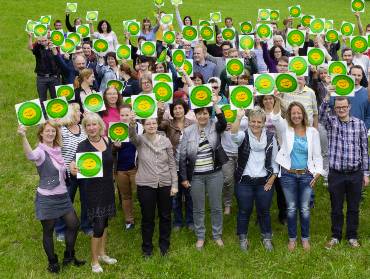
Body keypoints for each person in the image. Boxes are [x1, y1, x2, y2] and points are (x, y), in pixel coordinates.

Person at [17, 121, 85, 273]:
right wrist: (23, 136)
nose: (50, 133)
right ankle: (53, 262)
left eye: (53, 131)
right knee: (48, 230)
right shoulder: (41, 151)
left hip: (63, 196)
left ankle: (69, 256)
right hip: (47, 199)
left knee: (74, 224)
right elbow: (30, 155)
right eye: (47, 131)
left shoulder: (57, 149)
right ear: (41, 133)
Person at [271, 99, 323, 251]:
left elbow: (318, 155)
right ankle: (292, 239)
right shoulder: (285, 129)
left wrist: (317, 173)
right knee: (292, 208)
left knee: (305, 208)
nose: (296, 115)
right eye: (293, 113)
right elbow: (274, 118)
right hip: (288, 175)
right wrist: (276, 99)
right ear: (289, 115)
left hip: (307, 174)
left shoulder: (312, 131)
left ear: (303, 114)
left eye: (299, 113)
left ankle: (305, 238)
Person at [320, 94, 369, 249]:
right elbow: (321, 115)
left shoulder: (359, 124)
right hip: (336, 173)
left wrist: (366, 173)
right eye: (338, 107)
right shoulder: (331, 122)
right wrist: (327, 97)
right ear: (335, 109)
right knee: (336, 207)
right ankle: (335, 236)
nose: (341, 109)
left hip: (355, 173)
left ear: (349, 107)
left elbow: (364, 150)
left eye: (344, 107)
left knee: (354, 207)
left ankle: (352, 236)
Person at [70, 113, 117, 273]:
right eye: (88, 125)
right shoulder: (83, 146)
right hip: (92, 191)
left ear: (100, 126)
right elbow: (75, 166)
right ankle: (94, 261)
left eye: (94, 124)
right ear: (85, 128)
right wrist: (74, 169)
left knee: (104, 223)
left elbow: (110, 162)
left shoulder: (107, 140)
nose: (91, 128)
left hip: (108, 188)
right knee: (97, 225)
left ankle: (103, 254)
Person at [179, 96, 227, 250]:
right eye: (199, 113)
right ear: (195, 115)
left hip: (215, 174)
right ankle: (200, 237)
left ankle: (217, 235)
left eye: (205, 113)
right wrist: (184, 178)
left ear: (209, 114)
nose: (202, 116)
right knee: (198, 208)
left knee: (216, 207)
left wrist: (214, 104)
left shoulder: (215, 126)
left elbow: (224, 122)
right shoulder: (187, 131)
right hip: (196, 176)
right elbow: (182, 155)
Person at [128, 114, 178, 257]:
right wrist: (131, 124)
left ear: (157, 124)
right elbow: (131, 137)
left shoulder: (166, 140)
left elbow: (172, 164)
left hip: (165, 183)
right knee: (147, 218)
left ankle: (164, 246)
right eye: (148, 123)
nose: (151, 126)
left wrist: (174, 185)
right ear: (143, 126)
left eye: (153, 123)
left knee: (165, 216)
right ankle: (147, 249)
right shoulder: (140, 140)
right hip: (145, 185)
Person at [231, 108, 279, 251]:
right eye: (253, 121)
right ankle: (243, 238)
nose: (256, 125)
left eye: (259, 122)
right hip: (244, 181)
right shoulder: (243, 135)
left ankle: (266, 237)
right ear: (249, 122)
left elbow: (276, 160)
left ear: (264, 123)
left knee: (264, 210)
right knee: (244, 210)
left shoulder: (271, 137)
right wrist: (238, 118)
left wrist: (272, 178)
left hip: (264, 181)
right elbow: (233, 135)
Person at [54, 103, 92, 240]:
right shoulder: (61, 130)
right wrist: (68, 165)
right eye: (78, 112)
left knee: (86, 200)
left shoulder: (83, 128)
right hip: (67, 174)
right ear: (70, 114)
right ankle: (60, 230)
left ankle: (86, 225)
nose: (81, 114)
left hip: (84, 171)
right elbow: (56, 154)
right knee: (65, 201)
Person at [158, 99, 195, 230]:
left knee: (190, 196)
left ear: (185, 109)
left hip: (189, 165)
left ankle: (190, 221)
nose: (178, 110)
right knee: (175, 196)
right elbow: (158, 125)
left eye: (180, 108)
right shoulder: (168, 124)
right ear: (172, 111)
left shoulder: (192, 124)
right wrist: (160, 111)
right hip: (173, 165)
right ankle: (178, 222)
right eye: (175, 109)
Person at [258, 95, 287, 224]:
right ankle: (261, 215)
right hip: (263, 152)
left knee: (281, 185)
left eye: (270, 98)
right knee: (263, 185)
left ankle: (283, 214)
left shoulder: (282, 111)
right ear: (261, 101)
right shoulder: (258, 112)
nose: (268, 101)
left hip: (280, 151)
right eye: (265, 99)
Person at [115, 105, 143, 229]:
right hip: (120, 169)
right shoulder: (114, 129)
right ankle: (129, 220)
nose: (125, 117)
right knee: (125, 196)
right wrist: (115, 146)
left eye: (127, 115)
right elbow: (110, 152)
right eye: (122, 115)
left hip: (136, 168)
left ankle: (146, 216)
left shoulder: (139, 127)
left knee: (142, 193)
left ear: (132, 114)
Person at [27, 34, 60, 111]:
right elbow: (30, 47)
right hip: (41, 78)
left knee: (56, 99)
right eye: (41, 41)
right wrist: (30, 37)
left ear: (48, 40)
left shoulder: (54, 48)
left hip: (53, 77)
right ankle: (44, 118)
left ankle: (56, 117)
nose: (43, 42)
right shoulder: (38, 49)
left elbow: (59, 59)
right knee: (42, 99)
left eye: (45, 40)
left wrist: (53, 49)